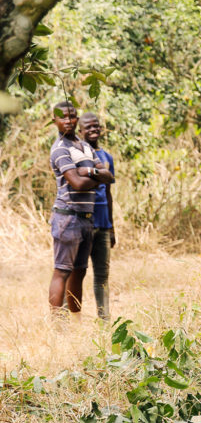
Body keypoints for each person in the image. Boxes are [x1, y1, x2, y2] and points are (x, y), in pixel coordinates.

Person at [47, 101, 114, 315]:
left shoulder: (84, 146)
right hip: (68, 217)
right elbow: (76, 183)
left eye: (72, 116)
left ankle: (75, 327)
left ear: (77, 118)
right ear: (54, 120)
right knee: (62, 272)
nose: (68, 120)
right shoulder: (60, 149)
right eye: (63, 117)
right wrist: (94, 175)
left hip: (87, 217)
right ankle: (58, 326)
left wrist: (88, 173)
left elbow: (109, 176)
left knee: (80, 272)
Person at [80, 112, 115, 320]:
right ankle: (69, 320)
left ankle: (105, 321)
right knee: (77, 273)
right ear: (81, 131)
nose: (93, 130)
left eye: (96, 126)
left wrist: (112, 227)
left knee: (102, 276)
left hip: (103, 223)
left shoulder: (107, 157)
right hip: (83, 222)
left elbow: (109, 194)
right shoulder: (77, 154)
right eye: (88, 127)